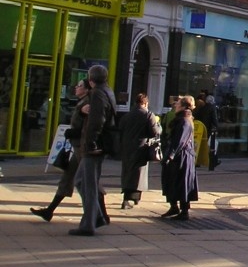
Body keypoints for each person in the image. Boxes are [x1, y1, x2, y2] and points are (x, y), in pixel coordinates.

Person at [31, 79, 95, 222]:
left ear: (86, 89)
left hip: (82, 146)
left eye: (79, 86)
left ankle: (97, 214)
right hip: (77, 145)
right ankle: (49, 211)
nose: (76, 88)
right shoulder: (82, 102)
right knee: (67, 178)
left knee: (88, 180)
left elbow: (89, 124)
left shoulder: (87, 103)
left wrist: (76, 131)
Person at [69, 64, 115, 236]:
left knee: (88, 183)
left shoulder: (97, 93)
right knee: (81, 180)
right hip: (99, 143)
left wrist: (91, 143)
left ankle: (89, 223)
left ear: (90, 79)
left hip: (94, 145)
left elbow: (97, 120)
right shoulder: (107, 91)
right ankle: (97, 216)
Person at [118, 92, 161, 209]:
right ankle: (131, 199)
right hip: (142, 148)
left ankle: (129, 197)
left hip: (127, 147)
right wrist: (159, 126)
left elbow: (120, 129)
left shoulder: (127, 115)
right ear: (145, 103)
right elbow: (155, 132)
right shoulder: (148, 115)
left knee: (127, 171)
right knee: (138, 174)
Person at [161, 97, 199, 220]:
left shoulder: (185, 120)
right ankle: (174, 206)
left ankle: (184, 210)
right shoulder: (181, 118)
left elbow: (180, 141)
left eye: (177, 104)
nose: (175, 106)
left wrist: (170, 155)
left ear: (183, 106)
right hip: (179, 155)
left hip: (182, 157)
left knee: (182, 182)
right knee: (171, 181)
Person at [195, 95, 220, 170]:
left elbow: (197, 116)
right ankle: (214, 161)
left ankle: (197, 162)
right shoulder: (212, 108)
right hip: (209, 129)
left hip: (201, 128)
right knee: (212, 145)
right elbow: (214, 119)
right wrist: (216, 128)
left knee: (200, 145)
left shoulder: (202, 108)